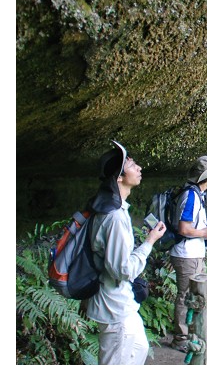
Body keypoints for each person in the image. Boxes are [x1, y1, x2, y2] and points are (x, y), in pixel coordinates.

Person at [85, 140, 167, 365]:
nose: (139, 168)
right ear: (119, 178)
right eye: (131, 165)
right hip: (115, 306)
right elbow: (122, 270)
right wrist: (150, 241)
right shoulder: (114, 217)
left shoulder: (109, 209)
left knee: (139, 347)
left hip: (119, 301)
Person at [169, 155, 207, 352]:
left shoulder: (197, 195)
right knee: (185, 296)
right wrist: (204, 233)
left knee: (194, 294)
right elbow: (183, 229)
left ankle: (191, 332)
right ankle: (181, 337)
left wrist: (204, 231)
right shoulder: (191, 196)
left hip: (193, 253)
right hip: (186, 255)